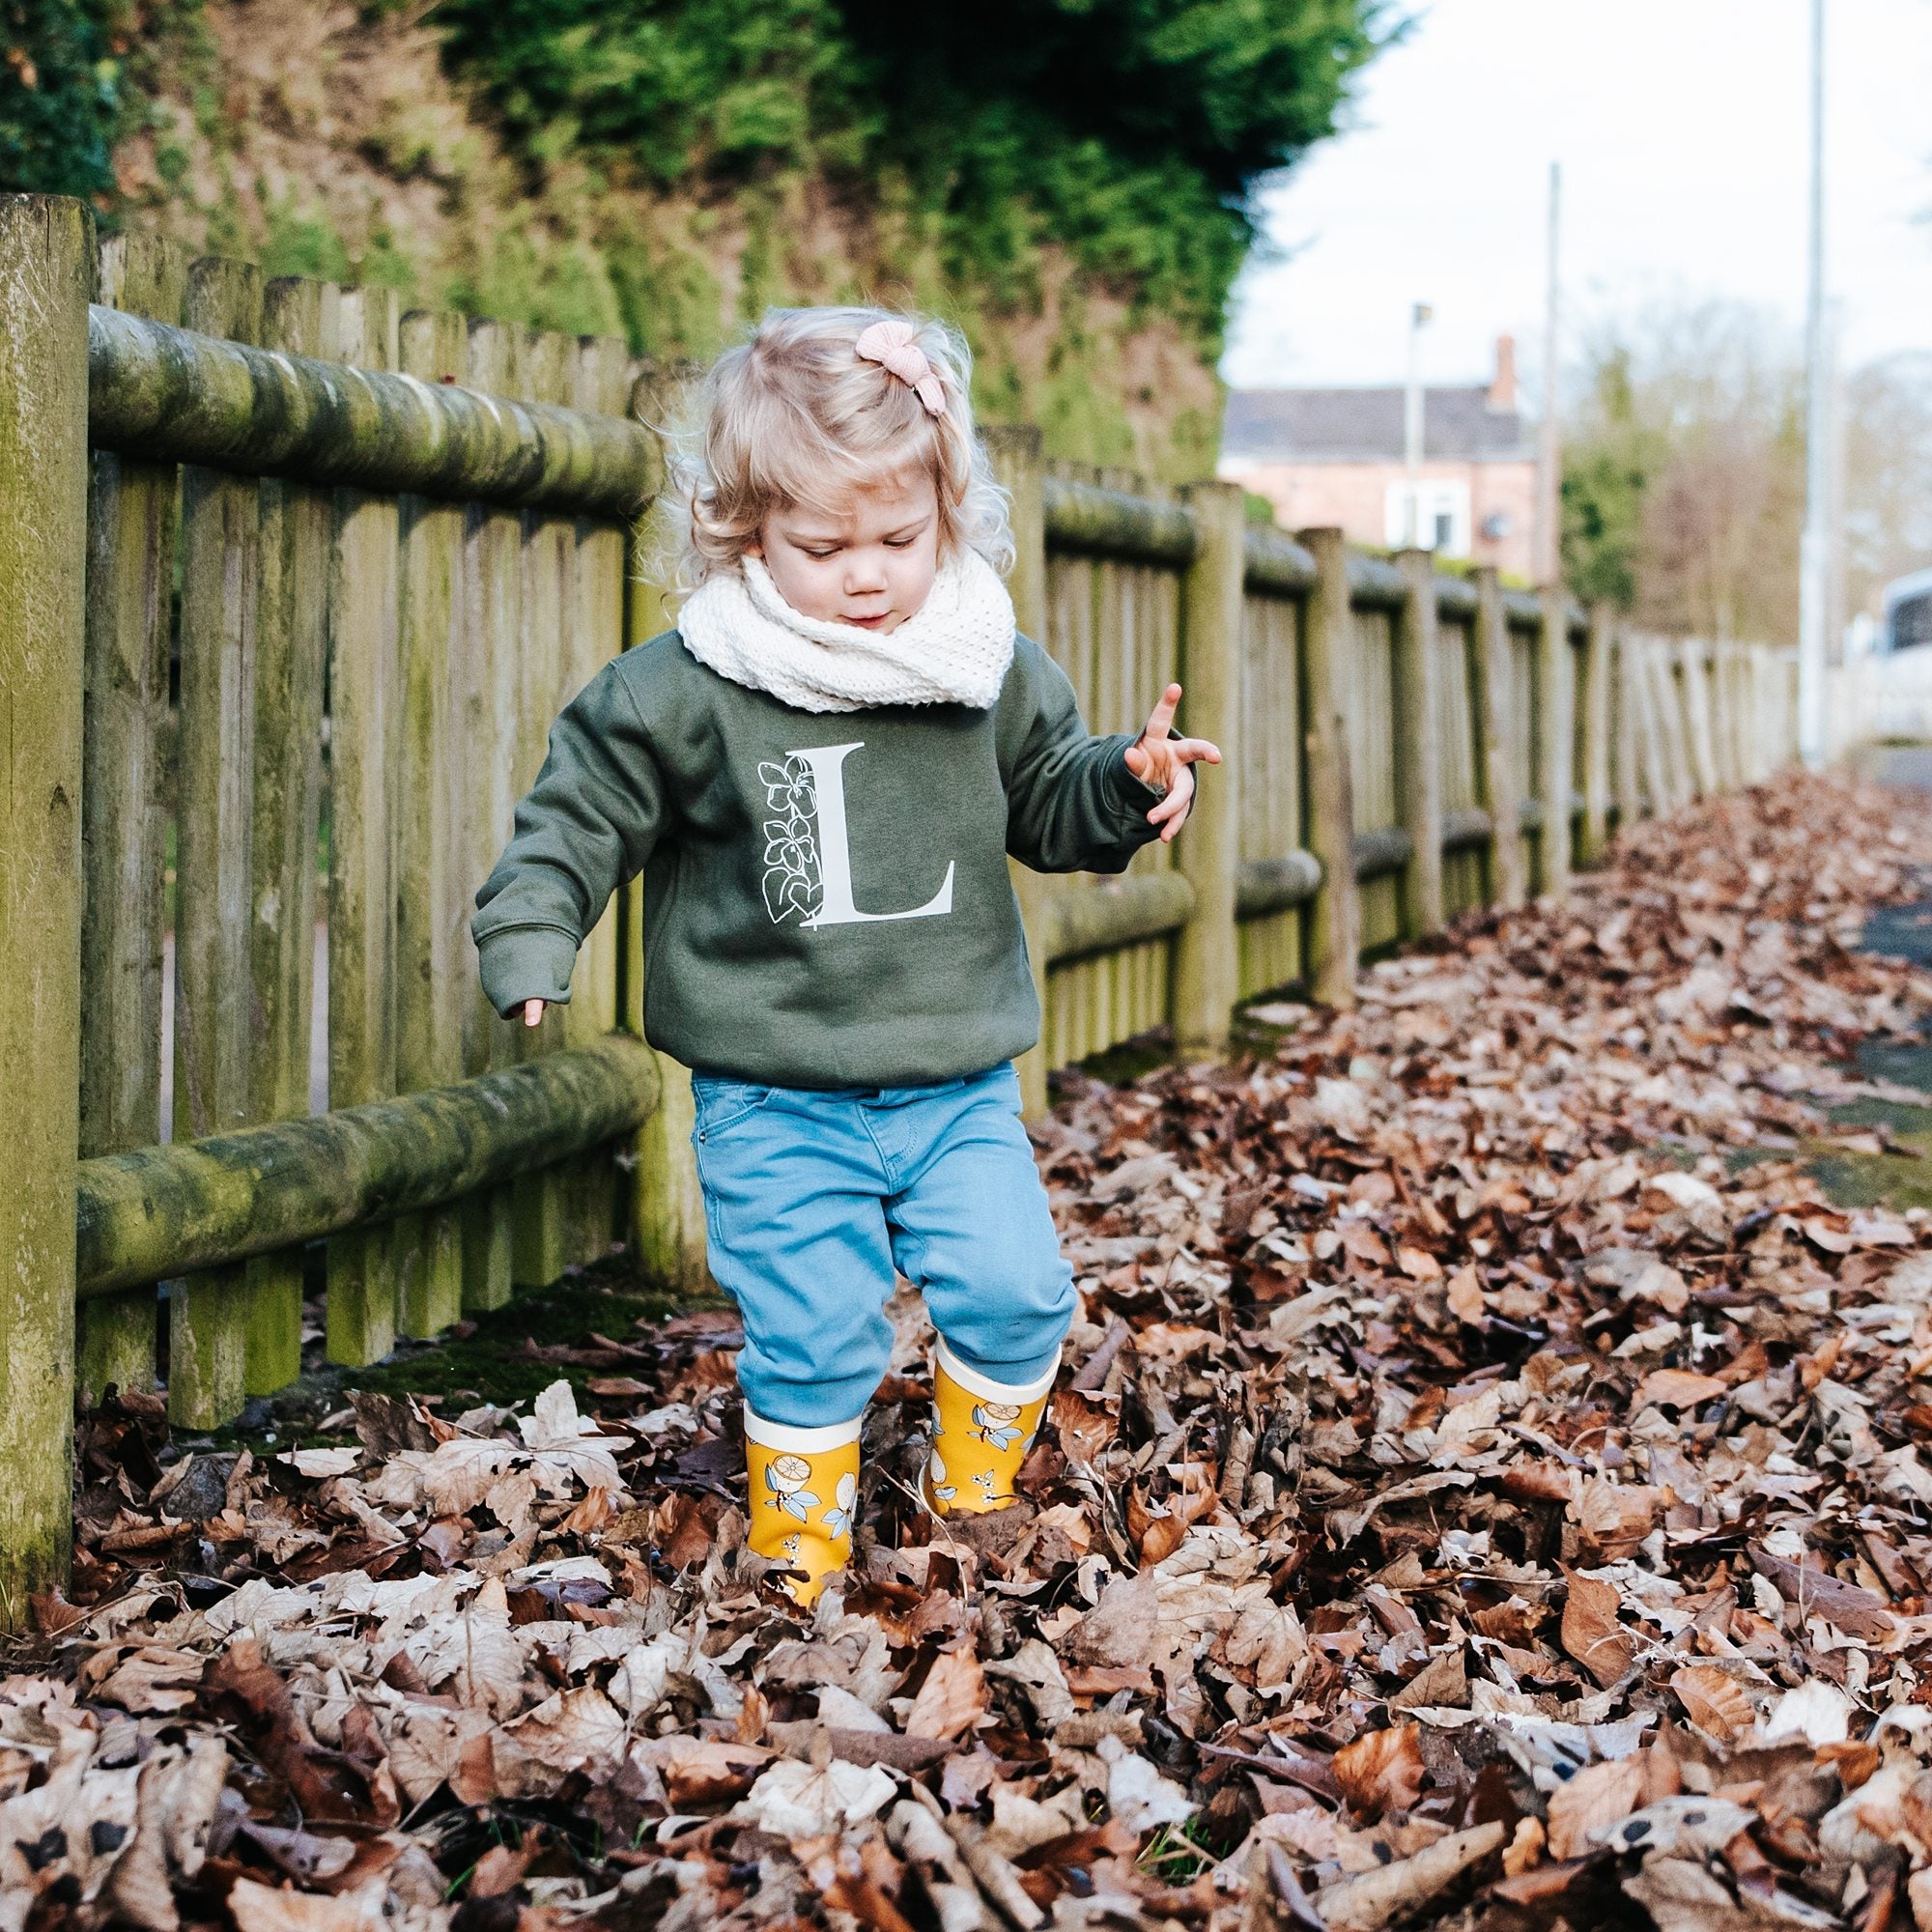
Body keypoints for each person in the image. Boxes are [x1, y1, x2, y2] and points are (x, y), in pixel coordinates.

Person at [472, 308, 1221, 1605]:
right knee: (814, 1329)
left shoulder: (982, 666)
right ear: (744, 531)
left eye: (899, 539)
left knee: (1018, 1291)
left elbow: (1050, 799)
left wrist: (1125, 782)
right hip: (772, 1093)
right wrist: (534, 930)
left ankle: (970, 1499)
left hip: (954, 1085)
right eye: (822, 547)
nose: (866, 574)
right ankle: (800, 1560)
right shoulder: (690, 685)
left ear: (952, 516)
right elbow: (577, 812)